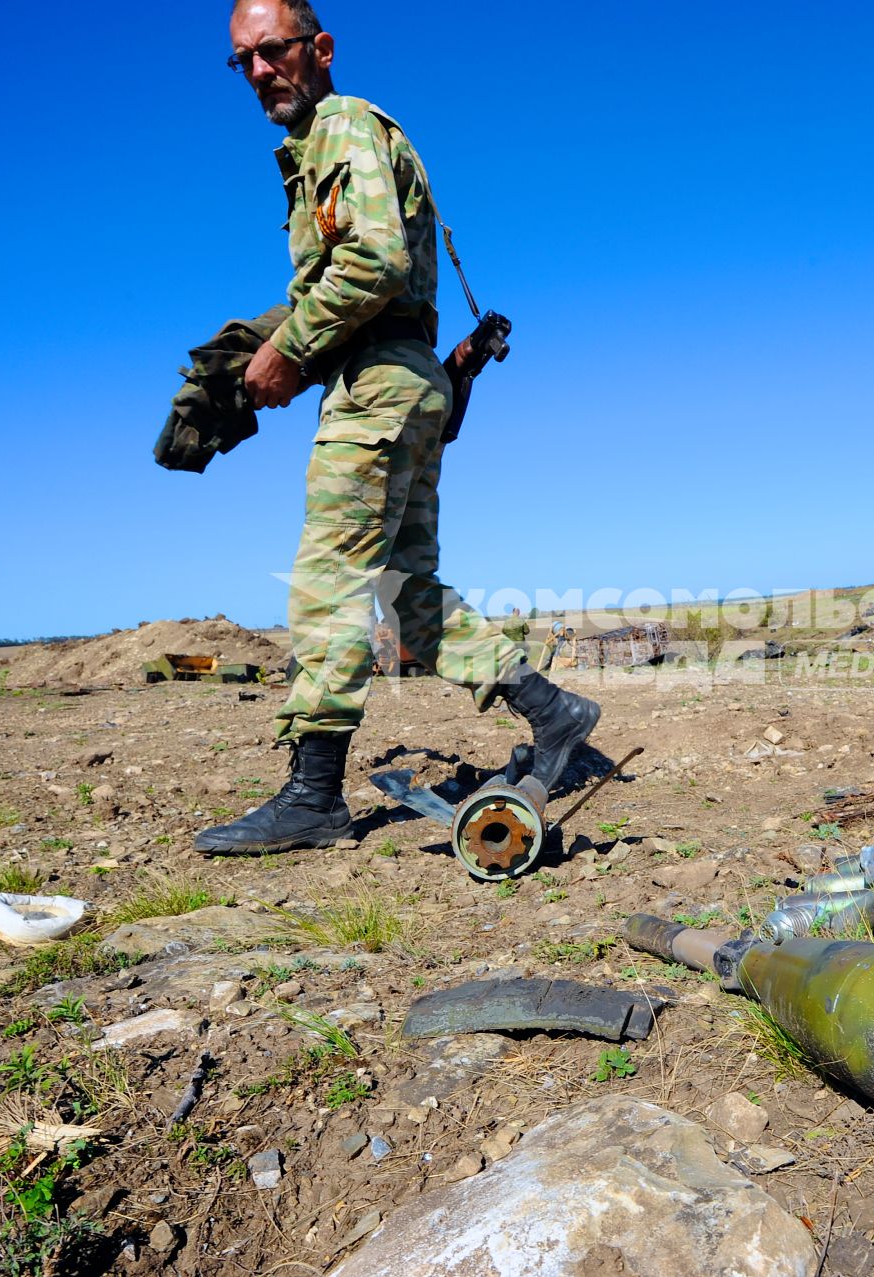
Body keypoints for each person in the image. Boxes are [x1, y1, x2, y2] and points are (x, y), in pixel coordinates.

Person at [195, 0, 599, 854]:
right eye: (244, 61)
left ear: (320, 47)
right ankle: (552, 710)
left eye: (272, 50)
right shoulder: (341, 139)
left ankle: (312, 797)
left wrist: (287, 352)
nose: (261, 71)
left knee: (329, 580)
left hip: (376, 386)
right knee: (408, 595)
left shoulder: (340, 124)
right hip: (407, 383)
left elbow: (373, 260)